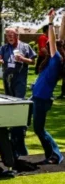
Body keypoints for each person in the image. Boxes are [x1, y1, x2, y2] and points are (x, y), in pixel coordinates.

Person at [0, 28, 37, 159]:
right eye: (7, 36)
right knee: (9, 103)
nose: (9, 37)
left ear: (17, 35)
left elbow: (33, 61)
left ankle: (20, 130)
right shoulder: (4, 48)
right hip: (8, 79)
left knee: (19, 103)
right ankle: (12, 129)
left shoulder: (25, 46)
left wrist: (23, 59)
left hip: (20, 80)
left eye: (11, 35)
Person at [32, 11, 64, 164]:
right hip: (36, 98)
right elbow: (59, 40)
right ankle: (50, 154)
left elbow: (54, 41)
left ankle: (56, 154)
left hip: (42, 100)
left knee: (39, 129)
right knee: (32, 127)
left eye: (49, 46)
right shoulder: (49, 63)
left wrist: (50, 22)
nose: (45, 47)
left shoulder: (56, 60)